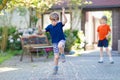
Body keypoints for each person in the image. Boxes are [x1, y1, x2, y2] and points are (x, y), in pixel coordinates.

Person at [39, 7, 67, 75]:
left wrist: (63, 14)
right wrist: (40, 29)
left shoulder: (60, 24)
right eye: (52, 21)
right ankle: (55, 68)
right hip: (54, 43)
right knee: (56, 57)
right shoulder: (49, 27)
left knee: (60, 46)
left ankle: (62, 55)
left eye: (55, 21)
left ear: (57, 20)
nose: (54, 22)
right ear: (50, 20)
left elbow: (65, 21)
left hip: (61, 40)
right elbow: (43, 31)